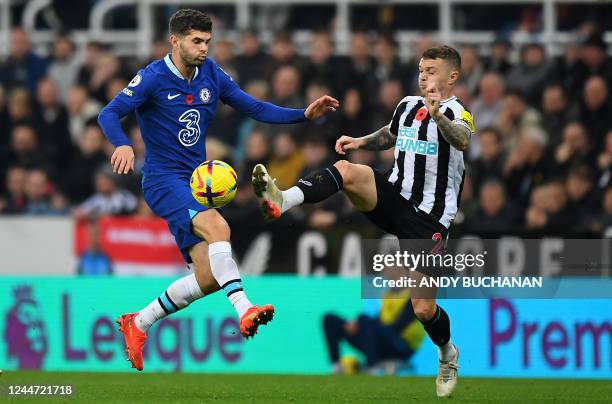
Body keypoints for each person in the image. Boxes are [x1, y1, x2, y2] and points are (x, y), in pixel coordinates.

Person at [97, 9, 338, 371]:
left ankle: (139, 322)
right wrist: (121, 144)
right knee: (219, 228)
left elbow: (254, 107)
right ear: (175, 41)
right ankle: (245, 309)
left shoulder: (212, 75)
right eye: (196, 41)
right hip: (163, 180)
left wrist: (303, 115)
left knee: (208, 278)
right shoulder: (152, 77)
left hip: (194, 182)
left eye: (207, 41)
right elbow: (108, 114)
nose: (204, 48)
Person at [253, 45, 473, 398]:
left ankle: (447, 353)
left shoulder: (458, 112)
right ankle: (284, 198)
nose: (423, 76)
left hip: (428, 218)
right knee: (347, 171)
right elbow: (390, 134)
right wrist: (361, 141)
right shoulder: (407, 105)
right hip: (394, 194)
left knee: (423, 307)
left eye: (431, 70)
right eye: (420, 69)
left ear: (452, 76)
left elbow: (461, 140)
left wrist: (438, 116)